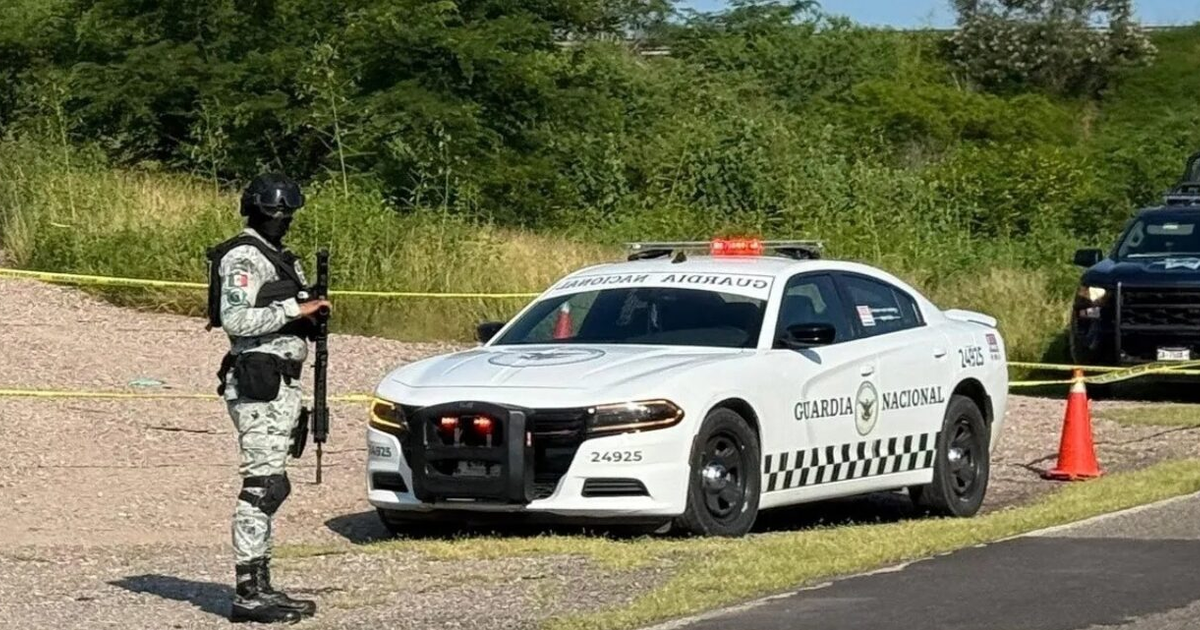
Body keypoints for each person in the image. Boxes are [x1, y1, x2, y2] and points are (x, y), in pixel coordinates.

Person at [209, 173, 331, 624]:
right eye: (273, 211)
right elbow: (236, 318)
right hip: (259, 380)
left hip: (281, 382)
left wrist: (309, 315)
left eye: (287, 212)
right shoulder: (244, 256)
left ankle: (261, 583)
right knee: (262, 486)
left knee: (274, 483)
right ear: (255, 210)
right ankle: (247, 592)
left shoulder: (279, 258)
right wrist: (293, 310)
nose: (281, 219)